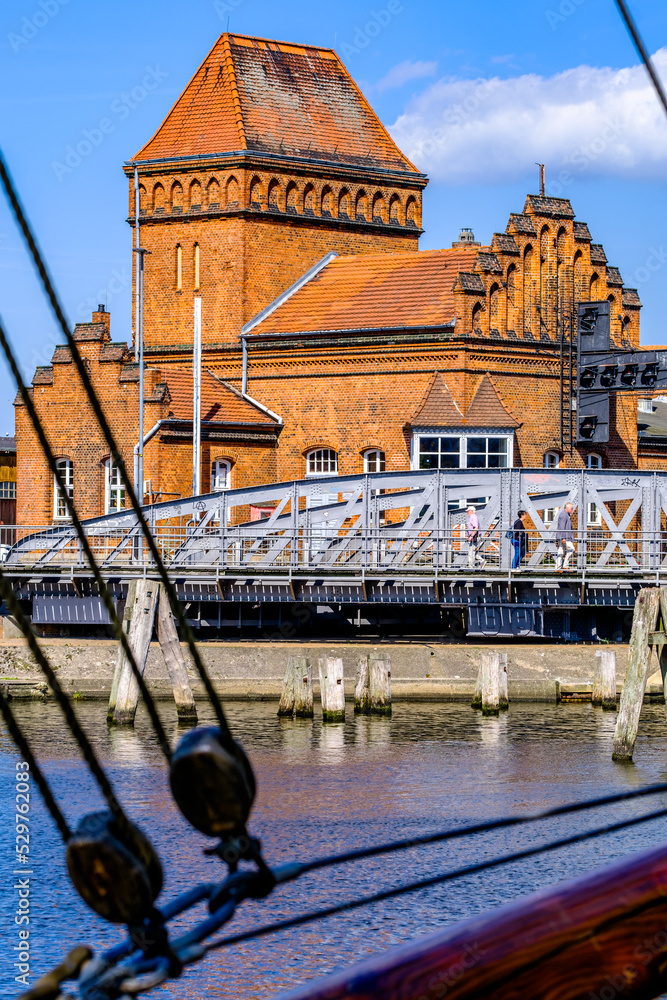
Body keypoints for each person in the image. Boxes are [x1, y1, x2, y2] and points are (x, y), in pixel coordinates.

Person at [555, 501, 575, 571]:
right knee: (571, 549)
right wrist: (563, 537)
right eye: (571, 508)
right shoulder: (564, 515)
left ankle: (558, 567)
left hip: (564, 536)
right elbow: (562, 526)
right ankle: (565, 565)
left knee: (561, 551)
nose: (572, 510)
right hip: (565, 537)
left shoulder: (566, 514)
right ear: (567, 508)